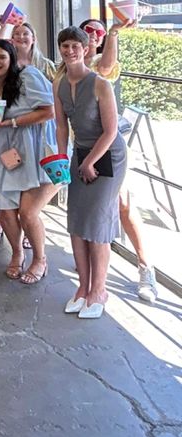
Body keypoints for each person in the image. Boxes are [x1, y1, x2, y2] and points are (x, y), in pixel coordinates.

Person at [76, 17, 157, 303]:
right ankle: (92, 278)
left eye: (98, 32)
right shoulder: (70, 67)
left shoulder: (101, 67)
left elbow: (107, 65)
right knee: (88, 210)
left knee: (122, 204)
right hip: (82, 148)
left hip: (111, 147)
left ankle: (145, 267)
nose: (93, 37)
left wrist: (112, 33)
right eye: (89, 31)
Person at [54, 26, 128, 318]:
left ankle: (99, 290)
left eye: (75, 46)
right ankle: (82, 288)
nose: (70, 51)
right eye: (65, 46)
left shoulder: (100, 84)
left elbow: (110, 131)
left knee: (97, 223)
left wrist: (89, 163)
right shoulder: (59, 83)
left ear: (86, 49)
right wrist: (61, 158)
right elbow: (61, 126)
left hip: (108, 155)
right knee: (76, 221)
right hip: (80, 153)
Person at [0, 39, 58, 285]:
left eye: (2, 56)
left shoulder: (28, 76)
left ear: (11, 58)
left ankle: (40, 259)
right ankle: (16, 253)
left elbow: (49, 111)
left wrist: (12, 122)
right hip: (7, 154)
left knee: (27, 212)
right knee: (5, 211)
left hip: (35, 151)